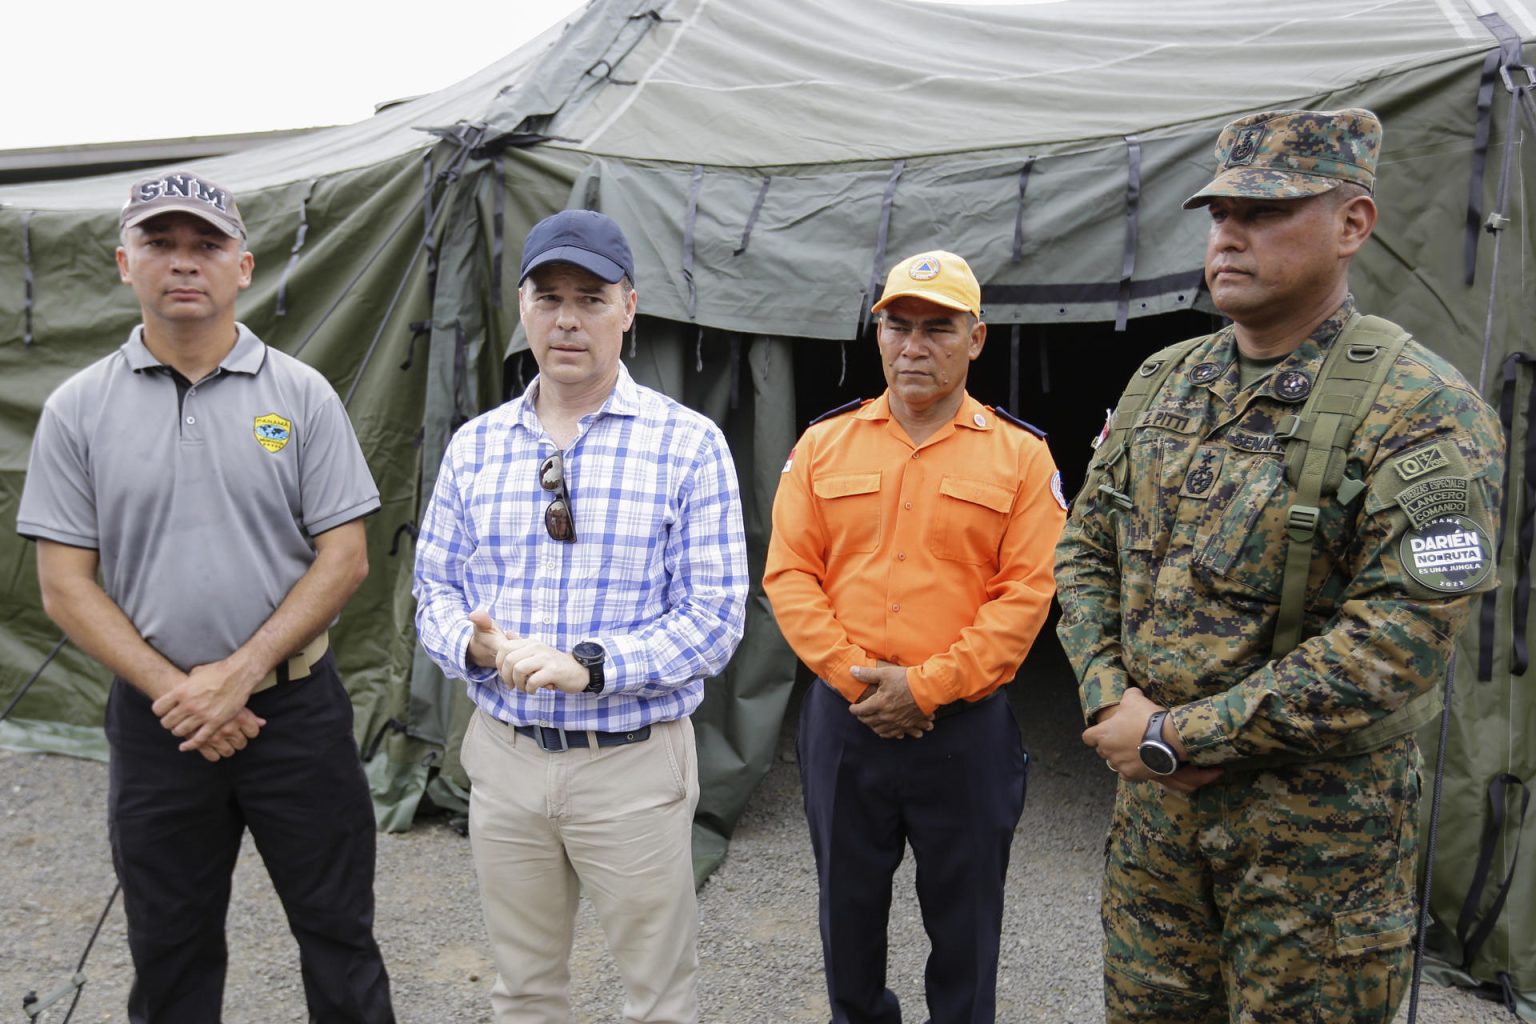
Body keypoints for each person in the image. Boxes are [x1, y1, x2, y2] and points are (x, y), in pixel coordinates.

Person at [1056, 108, 1504, 1024]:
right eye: (1221, 213)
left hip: (1319, 848)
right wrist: (1111, 698)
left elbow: (1402, 635)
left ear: (1353, 223)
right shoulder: (1164, 381)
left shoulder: (1422, 409)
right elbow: (1084, 551)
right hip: (1157, 828)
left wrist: (1183, 736)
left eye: (1264, 212)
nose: (1228, 234)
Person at [16, 171, 395, 1023]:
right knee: (170, 949)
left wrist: (240, 672)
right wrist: (182, 692)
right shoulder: (78, 410)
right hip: (162, 728)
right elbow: (64, 586)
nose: (183, 263)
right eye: (160, 243)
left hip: (295, 714)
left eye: (206, 245)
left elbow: (344, 559)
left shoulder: (301, 396)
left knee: (339, 939)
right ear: (124, 262)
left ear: (244, 265)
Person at [412, 209, 748, 1024]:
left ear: (629, 308)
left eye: (591, 298)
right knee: (524, 990)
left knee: (657, 997)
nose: (567, 319)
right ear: (522, 306)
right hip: (506, 758)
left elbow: (715, 616)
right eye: (549, 296)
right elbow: (433, 593)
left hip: (630, 766)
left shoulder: (688, 445)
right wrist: (477, 649)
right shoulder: (477, 447)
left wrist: (589, 666)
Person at [764, 250, 1066, 1024]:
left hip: (962, 732)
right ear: (879, 334)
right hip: (847, 720)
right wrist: (856, 679)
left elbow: (1026, 594)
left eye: (939, 328)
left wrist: (925, 688)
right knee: (848, 917)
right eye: (898, 326)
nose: (914, 345)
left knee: (966, 926)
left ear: (976, 339)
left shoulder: (1022, 457)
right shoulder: (824, 447)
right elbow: (789, 577)